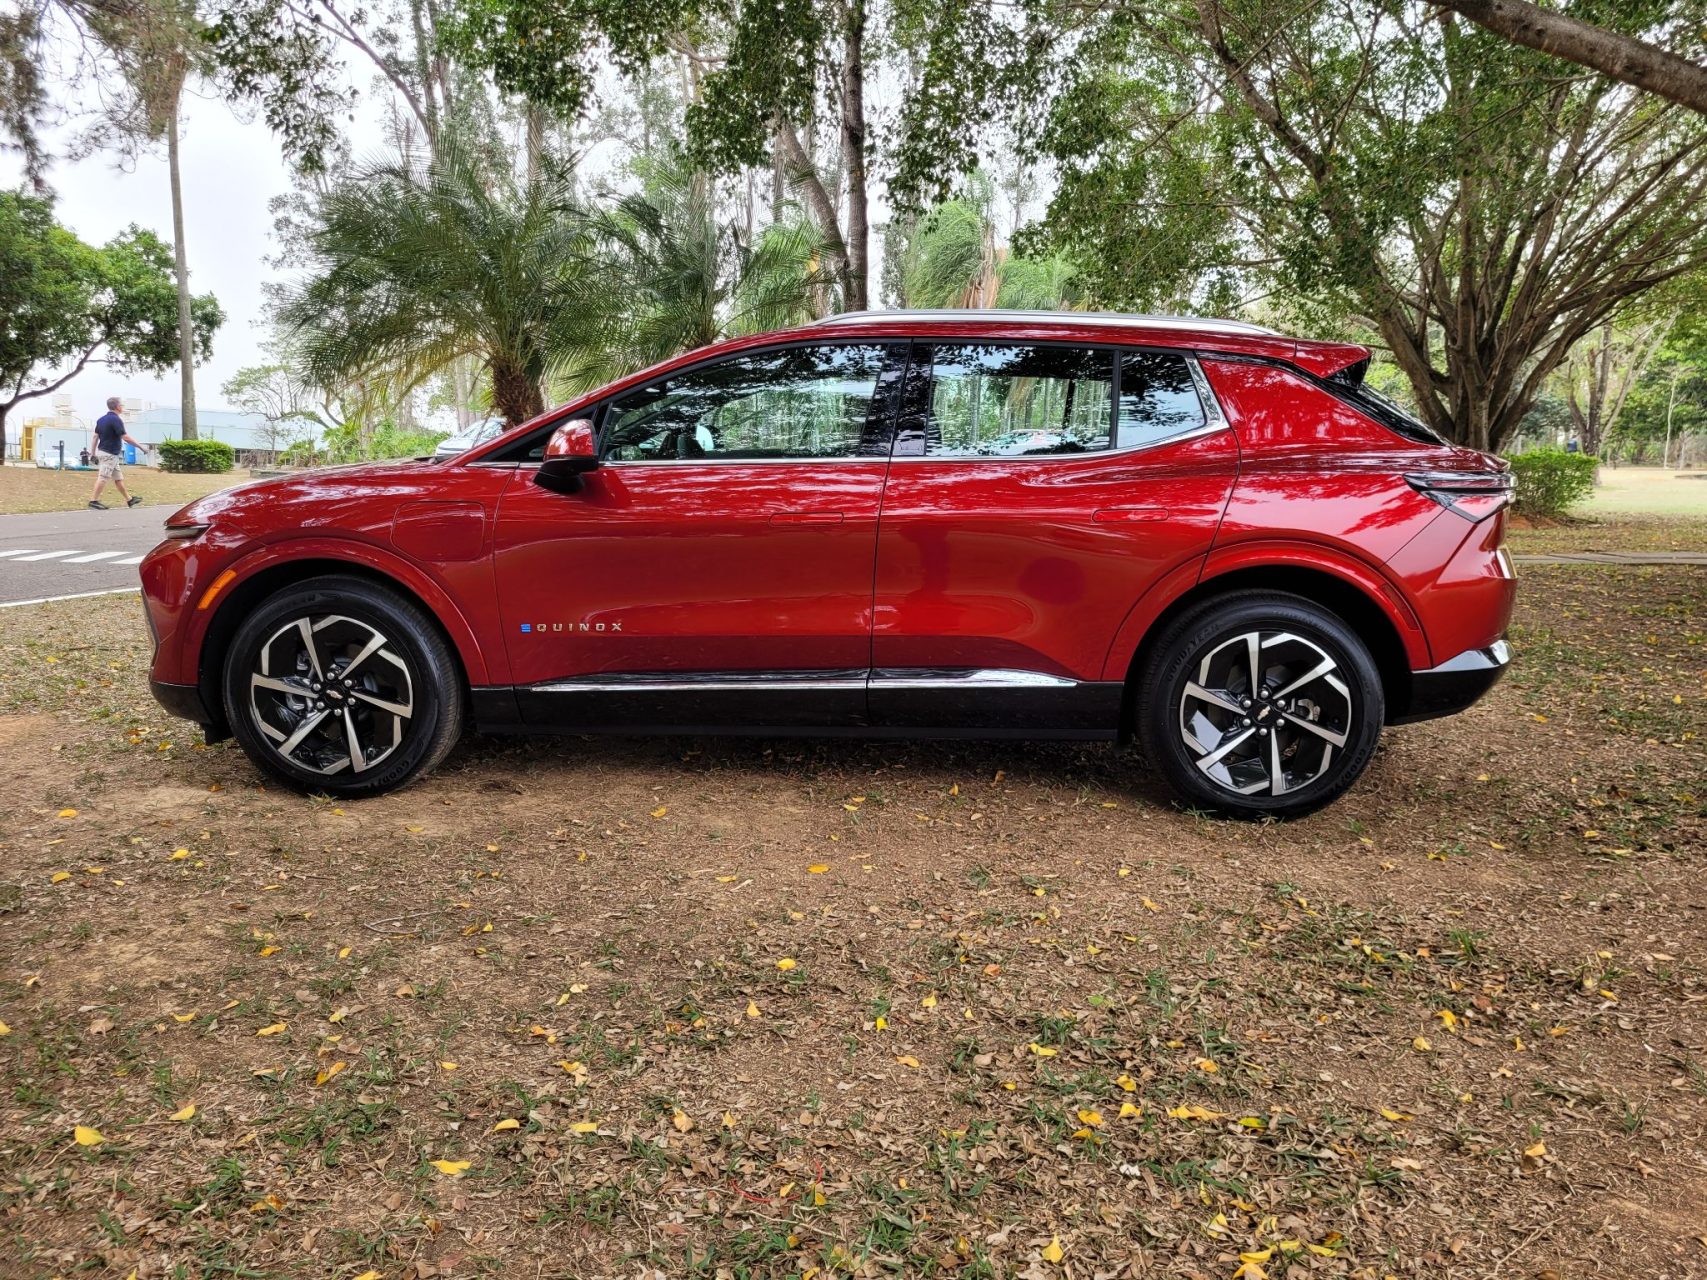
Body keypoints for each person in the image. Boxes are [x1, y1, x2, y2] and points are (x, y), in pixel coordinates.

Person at [89, 397, 142, 510]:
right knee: (103, 477)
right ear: (117, 406)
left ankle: (129, 499)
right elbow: (125, 437)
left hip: (105, 452)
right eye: (121, 405)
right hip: (110, 453)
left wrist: (92, 453)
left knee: (118, 478)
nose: (122, 407)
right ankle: (93, 500)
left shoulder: (101, 420)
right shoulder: (116, 420)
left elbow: (95, 437)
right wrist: (140, 447)